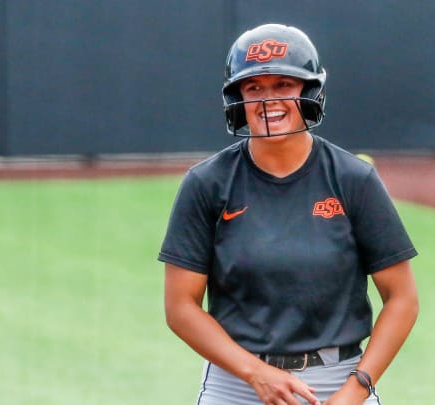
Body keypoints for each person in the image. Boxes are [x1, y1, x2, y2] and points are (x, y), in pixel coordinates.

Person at [158, 23, 419, 405]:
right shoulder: (206, 183)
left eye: (284, 85)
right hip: (237, 386)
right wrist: (255, 373)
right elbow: (180, 308)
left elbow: (402, 299)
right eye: (254, 88)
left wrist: (355, 391)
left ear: (310, 91)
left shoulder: (354, 179)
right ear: (238, 98)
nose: (269, 100)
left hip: (341, 381)